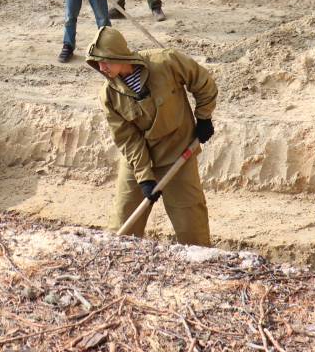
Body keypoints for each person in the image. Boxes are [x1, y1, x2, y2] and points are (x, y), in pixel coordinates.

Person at [85, 26, 217, 247]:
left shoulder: (166, 62)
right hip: (139, 158)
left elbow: (203, 82)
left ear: (120, 55)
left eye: (105, 61)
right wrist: (144, 176)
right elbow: (127, 139)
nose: (102, 67)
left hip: (178, 153)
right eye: (97, 62)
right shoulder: (109, 95)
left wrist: (204, 117)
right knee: (123, 227)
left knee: (192, 230)